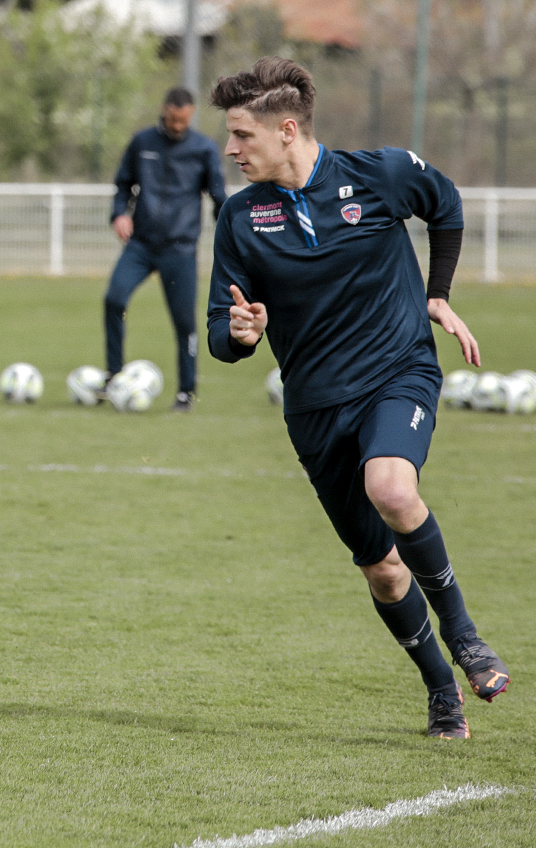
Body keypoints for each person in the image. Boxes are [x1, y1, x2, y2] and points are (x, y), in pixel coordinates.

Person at [206, 56, 509, 740]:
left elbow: (447, 204)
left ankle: (464, 635)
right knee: (382, 570)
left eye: (241, 135)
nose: (230, 149)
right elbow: (218, 333)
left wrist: (439, 293)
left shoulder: (379, 176)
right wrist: (242, 335)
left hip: (397, 374)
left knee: (394, 488)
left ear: (287, 130)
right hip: (314, 408)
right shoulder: (240, 217)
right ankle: (441, 691)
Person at [105, 86, 227, 411]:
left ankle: (186, 392)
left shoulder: (203, 149)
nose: (177, 126)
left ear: (192, 115)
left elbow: (218, 198)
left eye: (183, 121)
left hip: (180, 249)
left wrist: (232, 232)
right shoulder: (142, 142)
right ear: (164, 110)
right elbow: (122, 185)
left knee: (184, 323)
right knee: (114, 299)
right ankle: (114, 376)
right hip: (142, 245)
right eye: (173, 120)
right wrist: (119, 214)